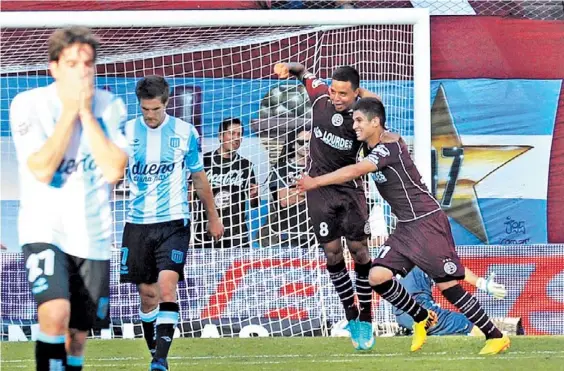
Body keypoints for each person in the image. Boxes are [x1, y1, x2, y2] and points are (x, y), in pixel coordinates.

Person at [297, 97, 511, 355]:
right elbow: (369, 109)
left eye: (359, 120)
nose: (353, 126)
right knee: (377, 276)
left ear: (375, 122)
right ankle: (422, 317)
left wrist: (316, 182)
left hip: (426, 221)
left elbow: (354, 171)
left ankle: (495, 335)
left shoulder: (390, 147)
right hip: (406, 226)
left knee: (447, 285)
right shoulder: (371, 145)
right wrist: (353, 96)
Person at [9, 26, 129, 371]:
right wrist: (68, 113)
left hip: (92, 233)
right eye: (73, 62)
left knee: (78, 333)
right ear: (54, 66)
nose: (82, 70)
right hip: (44, 229)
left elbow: (114, 170)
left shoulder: (110, 106)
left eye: (88, 63)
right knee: (54, 314)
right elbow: (43, 168)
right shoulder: (28, 104)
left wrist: (87, 114)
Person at [274, 62, 384, 350]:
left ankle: (368, 315)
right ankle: (352, 317)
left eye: (343, 94)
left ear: (356, 94)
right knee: (332, 252)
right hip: (319, 191)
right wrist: (288, 67)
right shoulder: (320, 97)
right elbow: (302, 72)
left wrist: (361, 99)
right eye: (334, 91)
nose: (336, 98)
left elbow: (379, 105)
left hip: (350, 190)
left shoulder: (362, 119)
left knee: (360, 251)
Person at [119, 75, 224, 371]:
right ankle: (155, 348)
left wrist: (213, 217)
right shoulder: (126, 133)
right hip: (137, 224)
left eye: (155, 109)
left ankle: (160, 360)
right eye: (145, 110)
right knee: (147, 295)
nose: (150, 115)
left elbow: (199, 178)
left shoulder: (185, 132)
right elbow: (111, 171)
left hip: (174, 222)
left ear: (166, 103)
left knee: (167, 287)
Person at [192, 117, 258, 249]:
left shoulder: (246, 165)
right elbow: (191, 197)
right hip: (206, 232)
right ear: (220, 136)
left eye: (239, 135)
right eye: (232, 133)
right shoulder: (204, 162)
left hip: (236, 235)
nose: (236, 138)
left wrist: (254, 195)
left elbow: (254, 204)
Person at [394, 267, 506, 336]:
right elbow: (456, 269)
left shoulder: (403, 252)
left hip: (400, 315)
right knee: (472, 324)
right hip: (421, 313)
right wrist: (483, 284)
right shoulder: (427, 253)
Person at [265, 128, 314, 247]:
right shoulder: (281, 168)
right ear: (293, 144)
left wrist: (296, 191)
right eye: (302, 142)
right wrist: (314, 189)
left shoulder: (319, 167)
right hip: (288, 233)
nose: (306, 146)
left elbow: (327, 197)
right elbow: (285, 200)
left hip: (316, 230)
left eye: (309, 142)